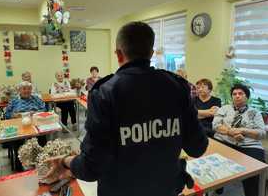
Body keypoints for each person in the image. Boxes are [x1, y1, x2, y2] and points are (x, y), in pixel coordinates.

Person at [44, 22, 208, 196]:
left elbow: (91, 168)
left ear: (119, 54)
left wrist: (65, 161)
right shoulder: (177, 87)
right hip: (165, 189)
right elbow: (198, 147)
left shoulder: (105, 92)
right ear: (151, 54)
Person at [213, 84, 266, 196]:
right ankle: (217, 187)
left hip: (249, 145)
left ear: (247, 97)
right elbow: (216, 125)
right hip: (226, 142)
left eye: (240, 93)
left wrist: (243, 131)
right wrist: (230, 132)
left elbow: (262, 133)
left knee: (252, 173)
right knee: (214, 163)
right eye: (234, 94)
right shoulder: (224, 108)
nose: (237, 96)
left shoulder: (255, 113)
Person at [5, 81, 47, 171]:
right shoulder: (14, 100)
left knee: (42, 137)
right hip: (19, 125)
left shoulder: (36, 98)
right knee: (17, 141)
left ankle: (41, 162)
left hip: (34, 123)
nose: (27, 91)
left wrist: (36, 112)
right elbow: (6, 114)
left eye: (29, 89)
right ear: (19, 90)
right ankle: (19, 165)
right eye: (24, 89)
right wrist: (13, 115)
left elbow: (44, 109)